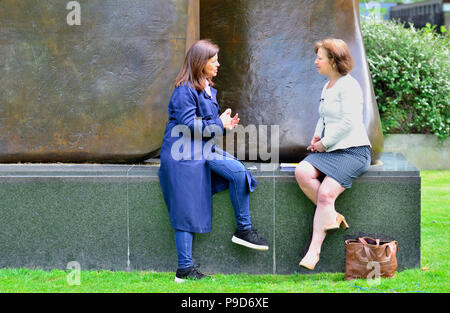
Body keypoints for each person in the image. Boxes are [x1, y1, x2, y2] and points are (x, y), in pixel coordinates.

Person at [158, 39, 269, 283]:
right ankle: (184, 271)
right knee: (185, 210)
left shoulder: (206, 87)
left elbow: (206, 126)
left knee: (239, 172)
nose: (218, 64)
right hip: (182, 154)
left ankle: (243, 230)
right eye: (213, 60)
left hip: (200, 150)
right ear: (200, 63)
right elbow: (188, 125)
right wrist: (219, 124)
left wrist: (223, 123)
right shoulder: (184, 89)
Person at [295, 38, 371, 270]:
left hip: (353, 151)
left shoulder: (349, 86)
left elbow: (349, 122)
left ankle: (313, 251)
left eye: (320, 57)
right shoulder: (327, 86)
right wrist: (318, 137)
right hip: (332, 148)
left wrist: (325, 144)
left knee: (326, 193)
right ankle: (332, 217)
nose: (316, 61)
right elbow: (323, 116)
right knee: (302, 171)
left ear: (334, 60)